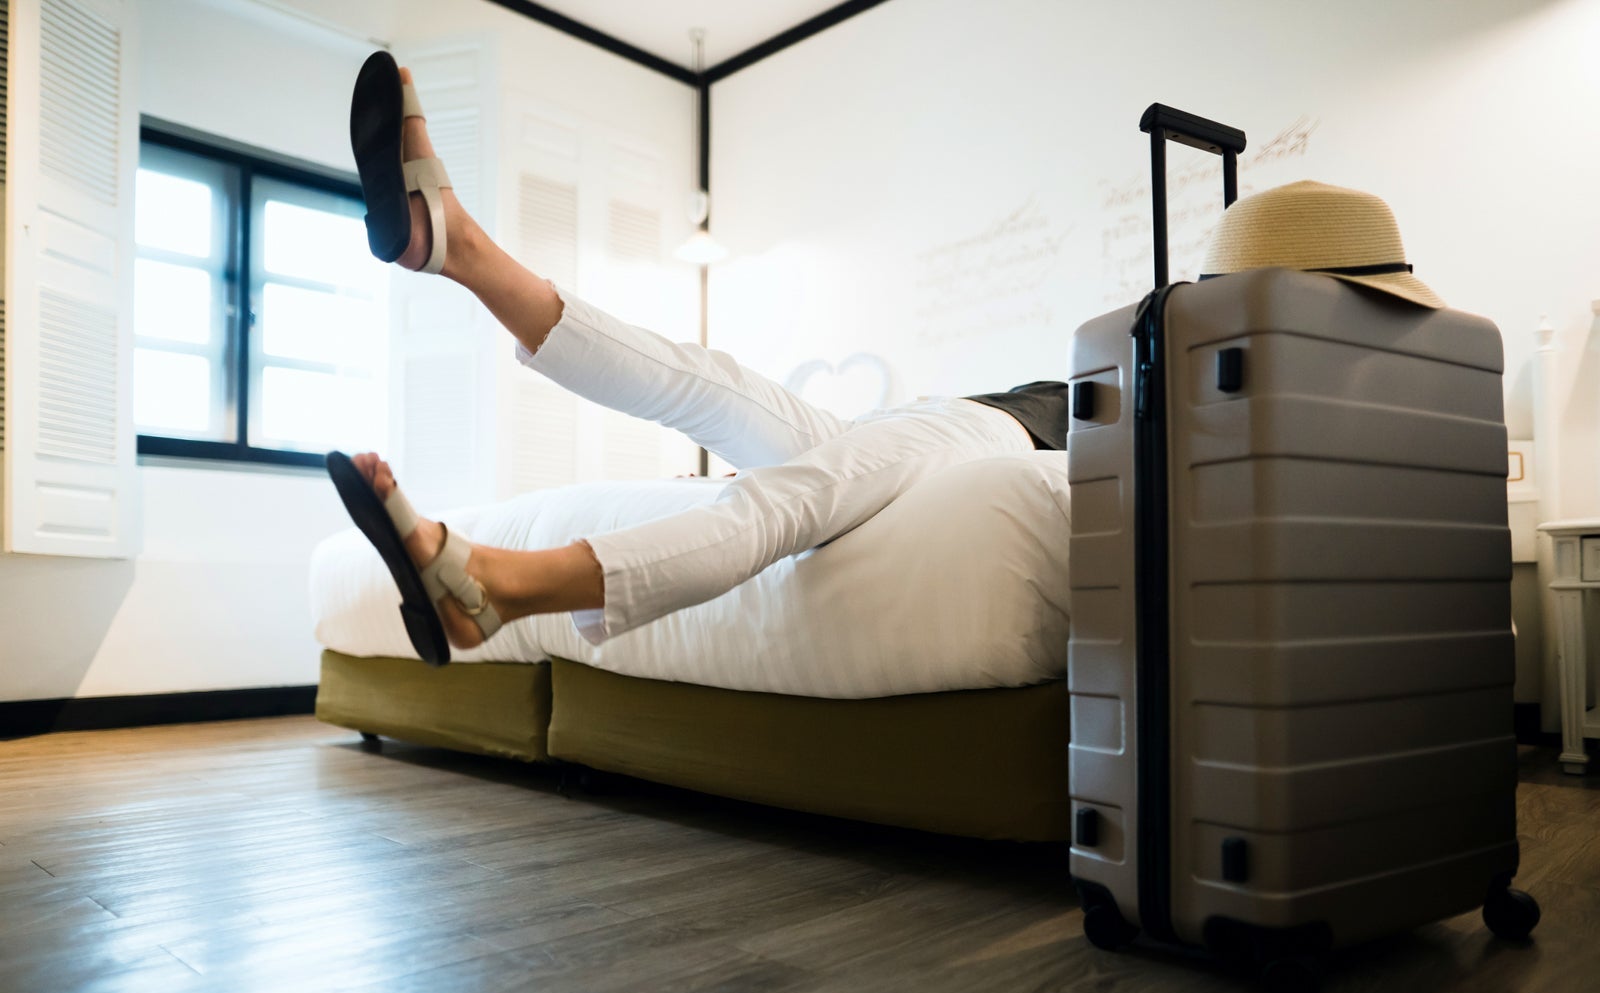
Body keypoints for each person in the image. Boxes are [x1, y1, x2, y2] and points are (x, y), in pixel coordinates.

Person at [332, 52, 1440, 668]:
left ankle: (505, 582)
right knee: (709, 380)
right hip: (959, 417)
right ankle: (460, 247)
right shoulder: (1190, 358)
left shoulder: (1276, 422)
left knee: (790, 491)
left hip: (995, 435)